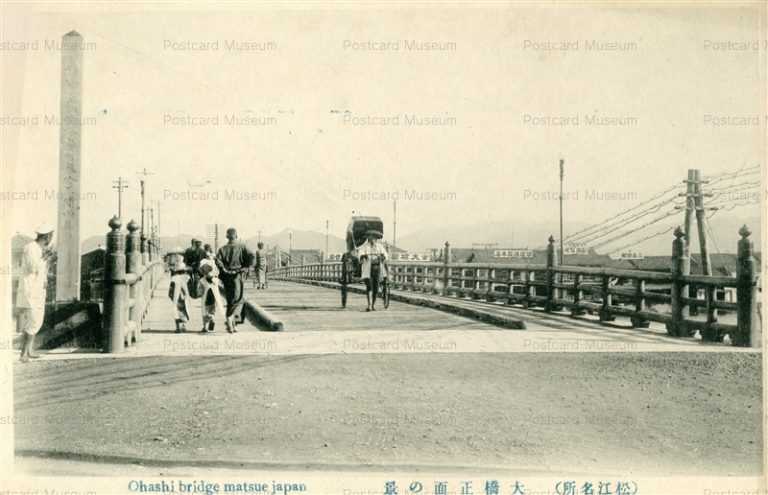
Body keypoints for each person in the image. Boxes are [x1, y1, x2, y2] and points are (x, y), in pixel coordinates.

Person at [16, 224, 55, 362]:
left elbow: (42, 271)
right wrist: (45, 258)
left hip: (38, 290)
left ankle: (29, 350)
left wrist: (46, 259)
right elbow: (33, 267)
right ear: (46, 236)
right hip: (31, 290)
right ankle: (23, 354)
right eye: (50, 236)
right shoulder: (31, 248)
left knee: (36, 321)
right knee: (33, 321)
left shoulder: (38, 249)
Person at [216, 227, 254, 333]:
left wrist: (224, 269)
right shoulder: (242, 247)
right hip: (237, 275)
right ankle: (230, 320)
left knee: (230, 299)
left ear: (227, 236)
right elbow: (252, 257)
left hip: (226, 276)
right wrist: (246, 268)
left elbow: (218, 261)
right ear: (236, 236)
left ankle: (232, 323)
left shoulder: (222, 249)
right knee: (237, 298)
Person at [357, 230, 388, 311]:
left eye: (374, 238)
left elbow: (385, 255)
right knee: (369, 287)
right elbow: (360, 254)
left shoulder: (380, 246)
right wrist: (363, 256)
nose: (372, 240)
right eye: (371, 238)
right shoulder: (364, 247)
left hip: (378, 269)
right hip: (368, 269)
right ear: (368, 238)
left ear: (376, 239)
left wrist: (383, 257)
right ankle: (369, 305)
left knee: (376, 288)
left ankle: (373, 304)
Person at [197, 263, 225, 333]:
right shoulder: (215, 280)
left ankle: (205, 327)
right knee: (212, 311)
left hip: (205, 299)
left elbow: (199, 290)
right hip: (214, 298)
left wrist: (199, 292)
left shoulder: (202, 280)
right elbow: (221, 284)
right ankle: (211, 318)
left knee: (204, 313)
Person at [168, 257, 191, 333]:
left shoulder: (174, 278)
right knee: (184, 310)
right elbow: (188, 288)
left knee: (176, 310)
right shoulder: (186, 277)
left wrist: (170, 296)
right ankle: (183, 326)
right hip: (184, 296)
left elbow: (171, 289)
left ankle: (178, 328)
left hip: (176, 297)